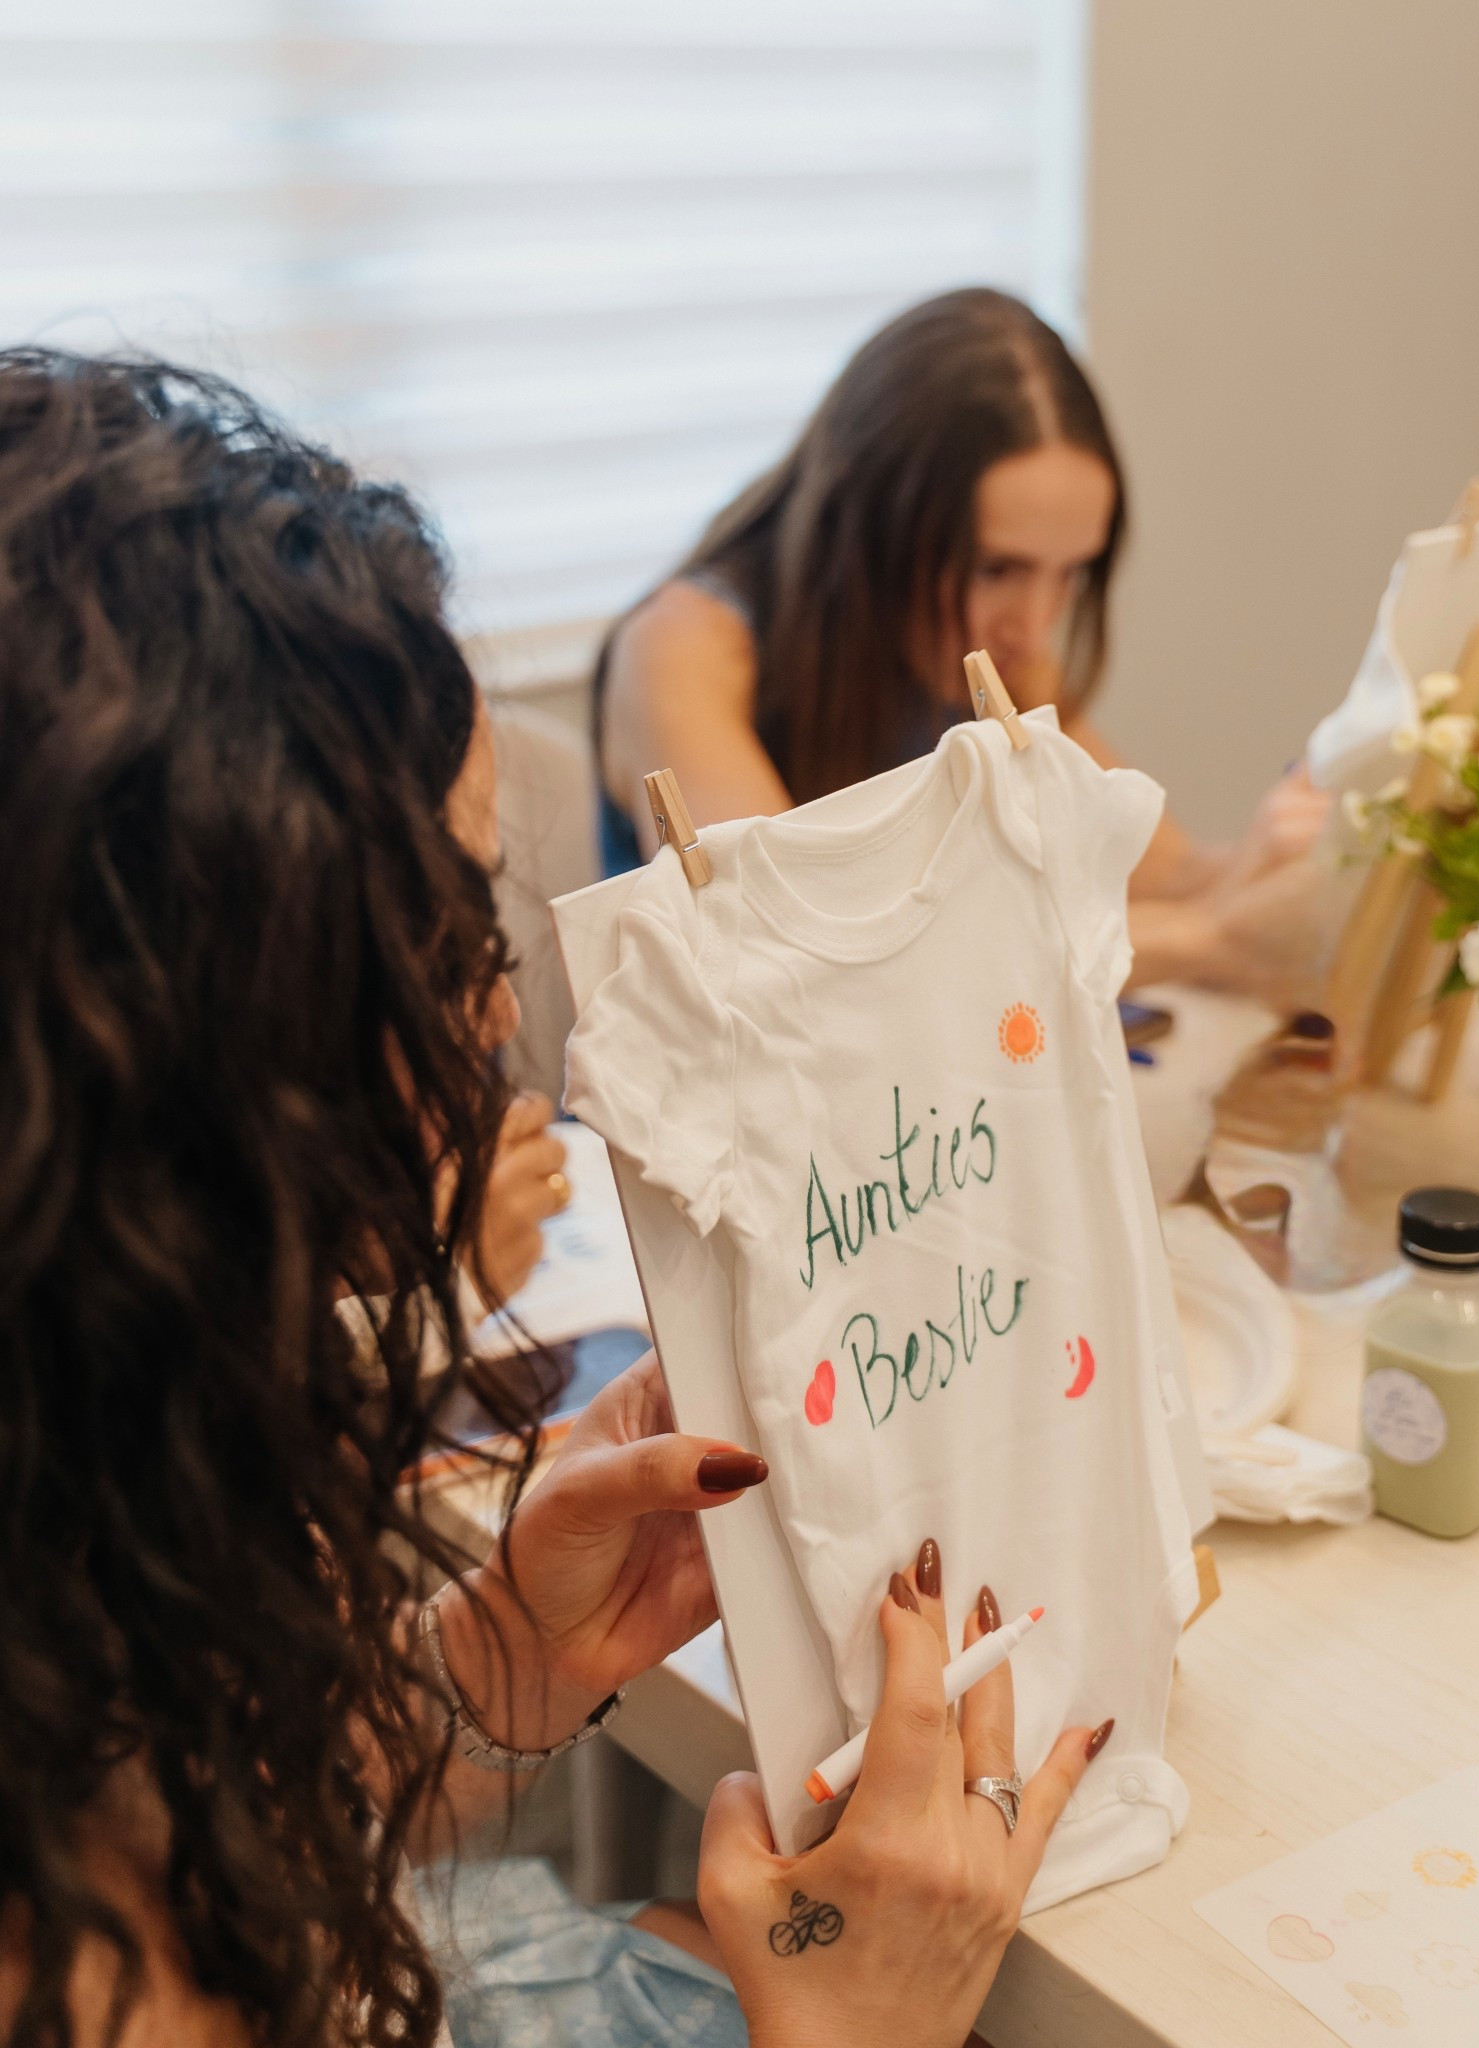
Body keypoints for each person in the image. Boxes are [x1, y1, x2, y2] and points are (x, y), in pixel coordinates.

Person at [0, 350, 1111, 2048]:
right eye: (435, 937)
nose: (497, 1013)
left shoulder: (77, 1516)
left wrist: (500, 1653)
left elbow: (200, 1837)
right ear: (156, 1043)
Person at [596, 287, 1331, 1005]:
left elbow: (1157, 872)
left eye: (1070, 574)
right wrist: (1206, 937)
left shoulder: (990, 647)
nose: (1034, 626)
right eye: (996, 569)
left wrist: (1296, 855)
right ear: (866, 521)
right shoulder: (681, 651)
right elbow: (811, 964)